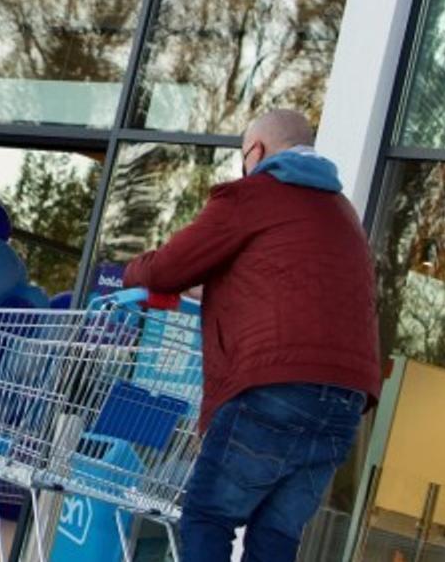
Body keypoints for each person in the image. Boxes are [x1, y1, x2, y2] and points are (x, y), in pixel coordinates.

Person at [122, 109, 381, 562]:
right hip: (346, 400)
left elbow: (165, 269)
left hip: (277, 387)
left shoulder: (254, 194)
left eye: (244, 156)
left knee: (207, 516)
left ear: (255, 151)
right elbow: (287, 286)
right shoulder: (342, 213)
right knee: (275, 537)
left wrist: (131, 272)